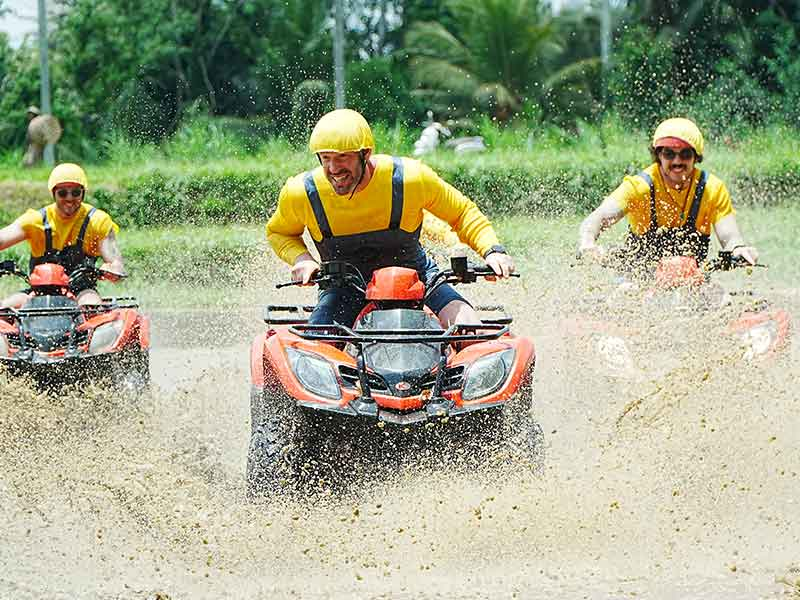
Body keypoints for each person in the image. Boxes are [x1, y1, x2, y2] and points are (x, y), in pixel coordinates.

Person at [266, 108, 515, 327]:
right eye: (326, 158)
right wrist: (303, 260)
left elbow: (462, 213)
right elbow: (279, 232)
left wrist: (492, 251)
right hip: (342, 288)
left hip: (417, 277)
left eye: (343, 157)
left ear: (366, 154)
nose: (333, 169)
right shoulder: (302, 192)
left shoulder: (410, 178)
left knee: (469, 327)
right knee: (315, 349)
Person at [578, 117, 758, 271]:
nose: (677, 161)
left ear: (696, 157)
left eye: (685, 154)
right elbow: (598, 217)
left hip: (691, 281)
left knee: (722, 300)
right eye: (669, 153)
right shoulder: (640, 187)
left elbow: (730, 237)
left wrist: (738, 249)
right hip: (639, 280)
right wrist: (588, 245)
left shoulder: (712, 189)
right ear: (658, 155)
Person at [0, 163, 126, 307]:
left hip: (81, 291)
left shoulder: (98, 222)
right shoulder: (36, 220)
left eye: (75, 192)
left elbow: (116, 262)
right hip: (38, 292)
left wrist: (112, 269)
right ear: (53, 193)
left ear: (83, 192)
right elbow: (3, 238)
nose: (69, 198)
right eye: (63, 193)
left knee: (91, 307)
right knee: (6, 308)